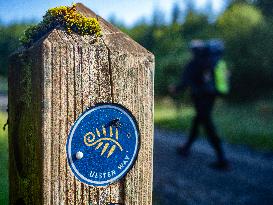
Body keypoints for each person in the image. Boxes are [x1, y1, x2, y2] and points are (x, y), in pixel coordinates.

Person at [170, 39, 229, 170]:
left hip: (201, 98)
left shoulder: (194, 63)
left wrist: (176, 89)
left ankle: (222, 158)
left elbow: (185, 81)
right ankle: (186, 148)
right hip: (210, 96)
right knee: (198, 121)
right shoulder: (208, 62)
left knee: (207, 125)